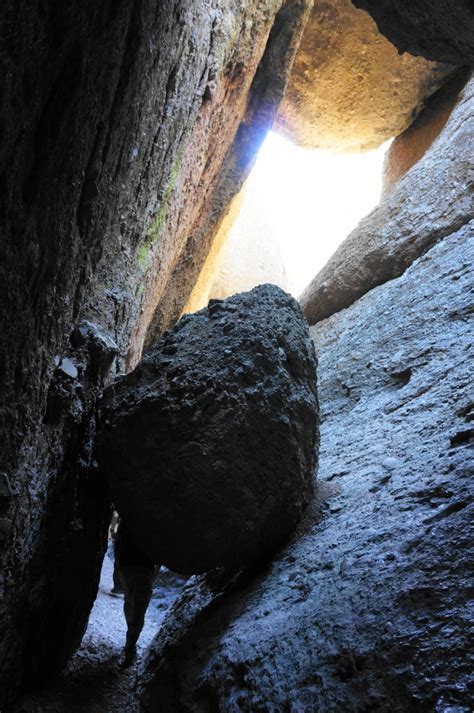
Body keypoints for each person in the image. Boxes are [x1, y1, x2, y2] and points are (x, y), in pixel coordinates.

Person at [113, 518, 156, 665]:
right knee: (139, 609)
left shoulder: (129, 516)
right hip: (144, 567)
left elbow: (118, 542)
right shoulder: (152, 518)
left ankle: (130, 642)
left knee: (130, 601)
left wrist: (118, 567)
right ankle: (130, 646)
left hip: (127, 566)